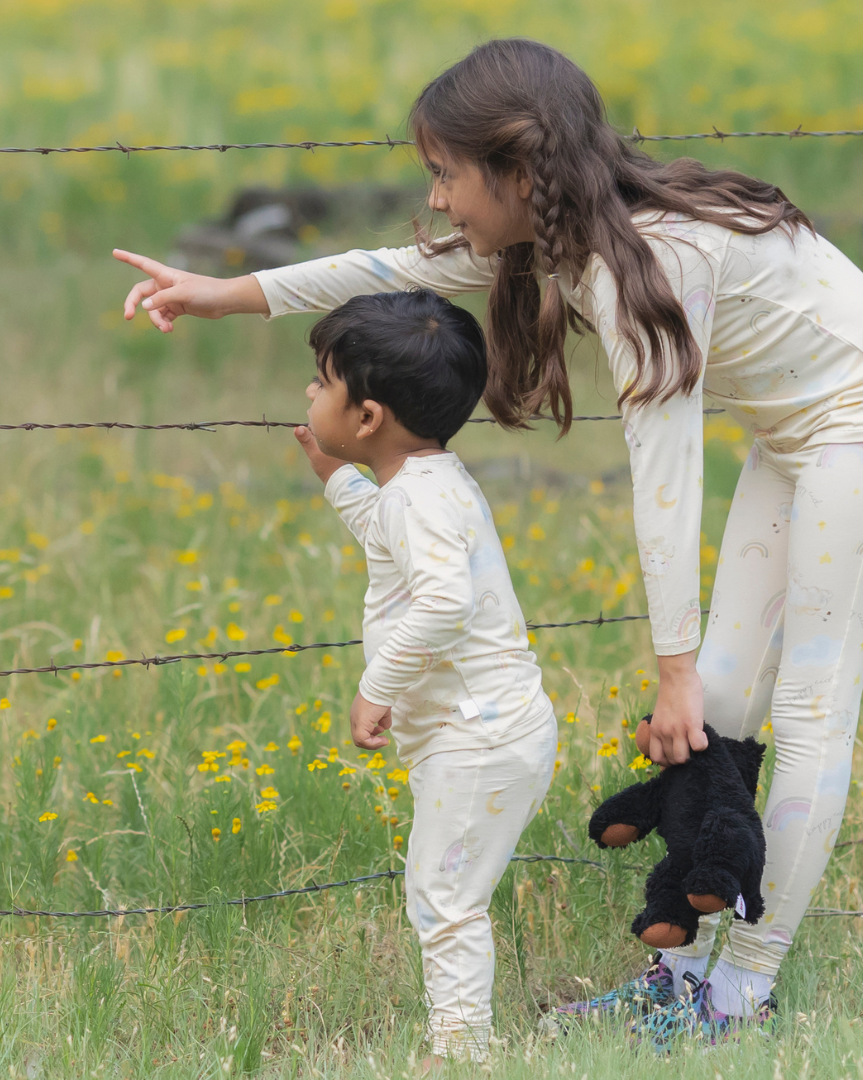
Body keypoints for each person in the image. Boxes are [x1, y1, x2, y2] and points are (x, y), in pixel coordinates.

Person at [113, 38, 863, 1047]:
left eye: (449, 173)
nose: (443, 199)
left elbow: (665, 482)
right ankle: (681, 973)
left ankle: (744, 987)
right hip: (792, 432)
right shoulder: (558, 237)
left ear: (520, 171)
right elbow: (388, 264)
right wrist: (217, 291)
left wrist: (665, 668)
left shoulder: (650, 273)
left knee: (808, 702)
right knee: (722, 697)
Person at [301, 287, 556, 1062]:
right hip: (495, 728)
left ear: (368, 416)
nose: (310, 393)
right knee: (446, 889)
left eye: (323, 381)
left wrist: (376, 686)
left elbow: (443, 600)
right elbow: (391, 534)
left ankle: (461, 1048)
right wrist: (337, 478)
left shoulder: (417, 500)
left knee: (444, 897)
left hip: (475, 738)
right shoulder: (429, 481)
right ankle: (459, 1038)